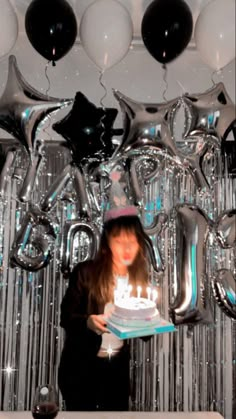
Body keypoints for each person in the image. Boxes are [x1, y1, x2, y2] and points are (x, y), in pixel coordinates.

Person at [58, 171, 151, 411]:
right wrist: (88, 322)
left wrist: (145, 321)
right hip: (79, 371)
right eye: (120, 240)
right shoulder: (85, 273)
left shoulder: (138, 279)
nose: (127, 247)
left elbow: (146, 334)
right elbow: (66, 317)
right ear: (108, 243)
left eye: (132, 240)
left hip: (115, 376)